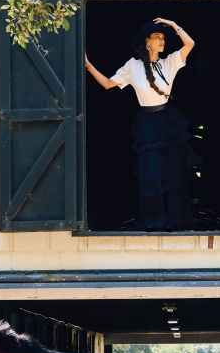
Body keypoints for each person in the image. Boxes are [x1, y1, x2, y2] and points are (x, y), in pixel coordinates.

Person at [84, 17, 198, 231]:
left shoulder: (169, 62)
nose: (162, 41)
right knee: (151, 174)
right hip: (147, 124)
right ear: (147, 42)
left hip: (168, 123)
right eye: (157, 37)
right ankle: (154, 222)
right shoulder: (133, 66)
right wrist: (89, 66)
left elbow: (190, 44)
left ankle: (177, 221)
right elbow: (109, 84)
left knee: (175, 174)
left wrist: (174, 25)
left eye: (163, 38)